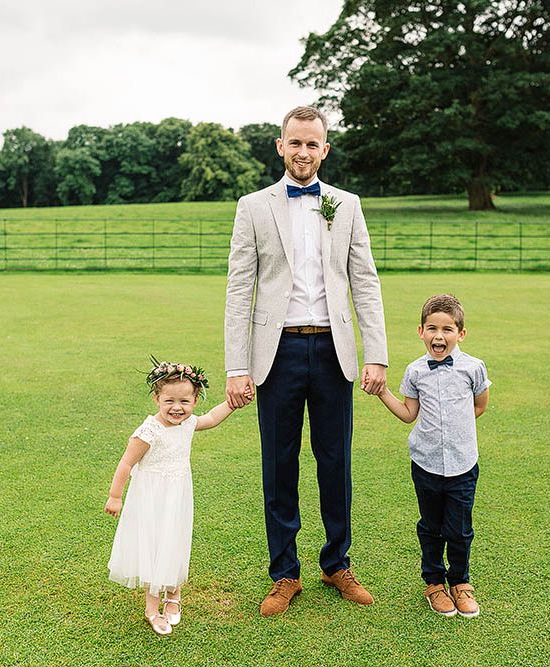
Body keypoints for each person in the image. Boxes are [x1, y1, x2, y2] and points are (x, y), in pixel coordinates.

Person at [224, 105, 388, 616]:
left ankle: (337, 563)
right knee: (279, 464)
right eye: (294, 143)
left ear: (325, 149)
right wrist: (236, 366)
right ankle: (284, 574)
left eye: (312, 144)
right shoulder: (253, 207)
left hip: (335, 351)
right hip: (277, 353)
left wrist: (376, 354)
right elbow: (239, 289)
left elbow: (364, 281)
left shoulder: (348, 204)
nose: (303, 152)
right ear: (280, 146)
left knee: (336, 462)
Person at [376, 294, 491, 618]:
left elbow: (480, 405)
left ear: (461, 334)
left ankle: (460, 581)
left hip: (462, 463)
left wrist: (456, 432)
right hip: (425, 462)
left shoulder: (473, 368)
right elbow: (408, 413)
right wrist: (382, 391)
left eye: (447, 329)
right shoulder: (415, 371)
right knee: (431, 526)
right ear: (421, 331)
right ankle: (434, 583)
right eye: (432, 328)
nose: (439, 336)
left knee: (459, 528)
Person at [105, 360, 237, 635]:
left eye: (185, 401)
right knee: (156, 546)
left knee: (175, 542)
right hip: (151, 499)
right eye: (169, 401)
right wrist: (115, 496)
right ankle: (151, 609)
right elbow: (126, 464)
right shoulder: (149, 431)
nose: (177, 408)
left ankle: (173, 596)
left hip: (177, 496)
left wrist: (232, 404)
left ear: (195, 400)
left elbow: (211, 419)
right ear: (156, 398)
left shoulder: (188, 423)